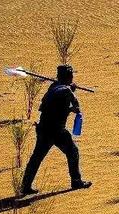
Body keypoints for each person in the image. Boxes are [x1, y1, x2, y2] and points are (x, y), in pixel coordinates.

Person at [20, 64, 91, 195]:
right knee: (73, 151)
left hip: (44, 128)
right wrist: (72, 105)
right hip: (56, 131)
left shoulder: (53, 87)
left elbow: (56, 102)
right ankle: (76, 181)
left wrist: (70, 89)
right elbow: (76, 106)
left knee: (36, 157)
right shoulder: (65, 91)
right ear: (69, 77)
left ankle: (25, 186)